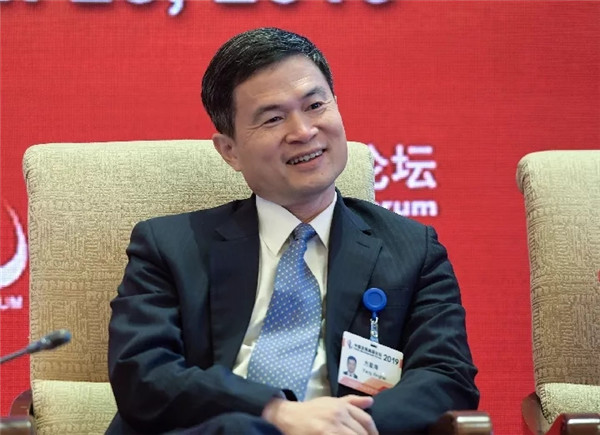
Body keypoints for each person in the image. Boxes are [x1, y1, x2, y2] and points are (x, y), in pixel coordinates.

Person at [107, 27, 479, 435]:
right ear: (230, 151)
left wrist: (346, 426)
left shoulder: (412, 249)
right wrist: (275, 412)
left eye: (315, 105)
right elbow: (142, 375)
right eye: (273, 118)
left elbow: (446, 377)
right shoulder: (170, 247)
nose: (303, 131)